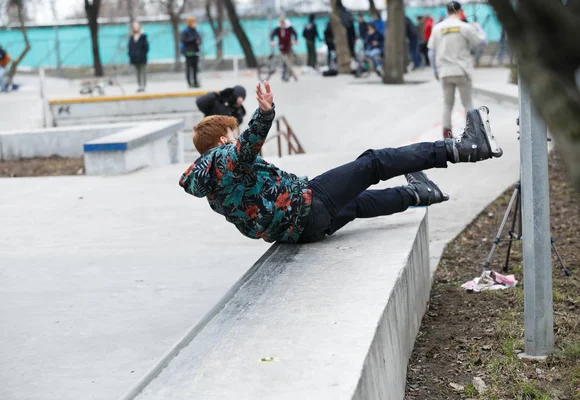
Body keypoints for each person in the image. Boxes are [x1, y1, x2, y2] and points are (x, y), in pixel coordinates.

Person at [179, 82, 503, 244]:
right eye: (231, 135)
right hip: (307, 206)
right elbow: (247, 147)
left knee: (358, 203)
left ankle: (419, 194)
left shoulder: (210, 186)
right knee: (373, 163)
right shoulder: (222, 159)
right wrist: (265, 114)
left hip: (301, 231)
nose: (235, 140)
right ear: (222, 140)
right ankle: (463, 148)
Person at [428, 1, 486, 139]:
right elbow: (481, 42)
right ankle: (473, 133)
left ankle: (447, 135)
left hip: (445, 72)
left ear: (447, 12)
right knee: (467, 103)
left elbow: (431, 52)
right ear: (460, 11)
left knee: (448, 103)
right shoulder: (465, 27)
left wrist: (435, 71)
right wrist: (478, 28)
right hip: (462, 71)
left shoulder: (437, 28)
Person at [270, 17, 298, 82]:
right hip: (281, 48)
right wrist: (271, 41)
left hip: (289, 47)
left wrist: (295, 40)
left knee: (289, 62)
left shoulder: (289, 28)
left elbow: (295, 34)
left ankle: (290, 75)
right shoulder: (278, 29)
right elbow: (272, 35)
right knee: (284, 61)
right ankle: (286, 75)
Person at [128, 21, 149, 92]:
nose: (135, 27)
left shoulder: (143, 36)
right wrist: (131, 55)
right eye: (134, 26)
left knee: (143, 71)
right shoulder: (131, 37)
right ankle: (139, 85)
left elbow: (146, 47)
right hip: (134, 58)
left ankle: (143, 85)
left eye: (137, 26)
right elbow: (130, 47)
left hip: (142, 58)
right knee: (137, 72)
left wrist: (142, 54)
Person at [181, 17, 202, 88]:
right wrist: (194, 40)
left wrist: (198, 41)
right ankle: (189, 83)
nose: (194, 24)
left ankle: (195, 82)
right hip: (188, 52)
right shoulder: (185, 31)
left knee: (195, 68)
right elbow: (184, 40)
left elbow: (199, 39)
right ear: (190, 23)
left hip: (195, 52)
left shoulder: (195, 31)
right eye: (193, 22)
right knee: (188, 68)